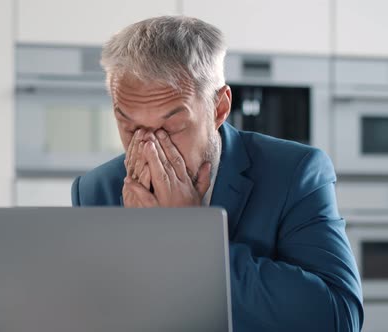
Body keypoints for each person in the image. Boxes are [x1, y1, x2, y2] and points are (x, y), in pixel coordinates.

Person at [71, 16, 364, 331]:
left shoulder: (295, 173)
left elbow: (337, 318)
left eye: (172, 125)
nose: (149, 147)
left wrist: (190, 236)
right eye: (129, 124)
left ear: (219, 109)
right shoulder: (96, 189)